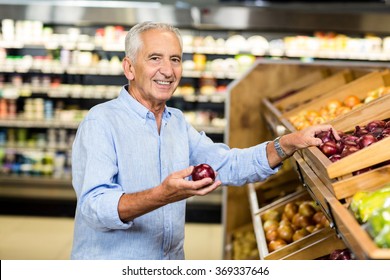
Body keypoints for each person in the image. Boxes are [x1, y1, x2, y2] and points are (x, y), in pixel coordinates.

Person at [70, 21, 340, 260]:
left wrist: (289, 143)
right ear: (129, 67)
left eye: (175, 59)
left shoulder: (175, 122)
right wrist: (160, 195)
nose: (167, 70)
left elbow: (229, 165)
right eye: (155, 58)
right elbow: (95, 207)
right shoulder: (101, 122)